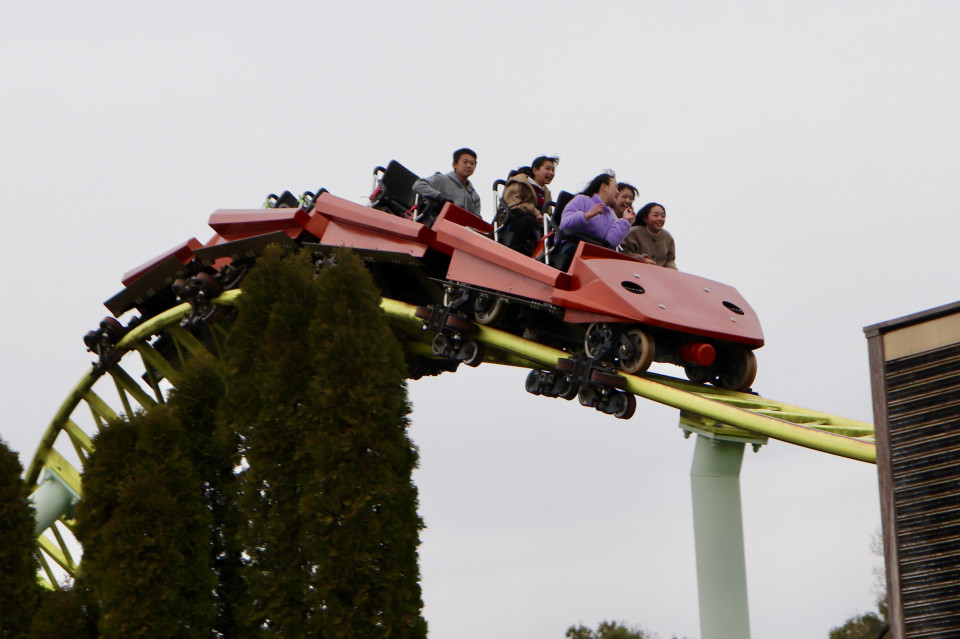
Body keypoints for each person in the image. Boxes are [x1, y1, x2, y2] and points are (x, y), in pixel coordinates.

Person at [499, 155, 558, 255]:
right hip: (513, 220)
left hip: (536, 226)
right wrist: (535, 213)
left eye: (553, 170)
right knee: (528, 219)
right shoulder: (519, 182)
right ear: (535, 170)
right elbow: (512, 204)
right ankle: (514, 251)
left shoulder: (546, 193)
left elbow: (548, 213)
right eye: (547, 169)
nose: (551, 173)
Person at [558, 173, 635, 247]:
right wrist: (587, 215)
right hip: (571, 246)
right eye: (616, 187)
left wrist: (625, 220)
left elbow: (611, 242)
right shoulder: (582, 200)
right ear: (604, 187)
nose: (618, 192)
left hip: (594, 253)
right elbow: (565, 224)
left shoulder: (610, 216)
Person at [412, 148, 482, 217]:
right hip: (438, 224)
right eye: (465, 162)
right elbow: (418, 185)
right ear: (455, 164)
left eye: (472, 163)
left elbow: (477, 218)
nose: (469, 166)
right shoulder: (442, 179)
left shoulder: (474, 196)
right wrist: (440, 197)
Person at [620, 202, 677, 269]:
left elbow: (670, 260)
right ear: (645, 218)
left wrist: (672, 269)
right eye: (655, 215)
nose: (660, 219)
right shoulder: (633, 232)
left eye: (663, 216)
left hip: (660, 276)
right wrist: (642, 259)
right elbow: (624, 253)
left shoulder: (668, 237)